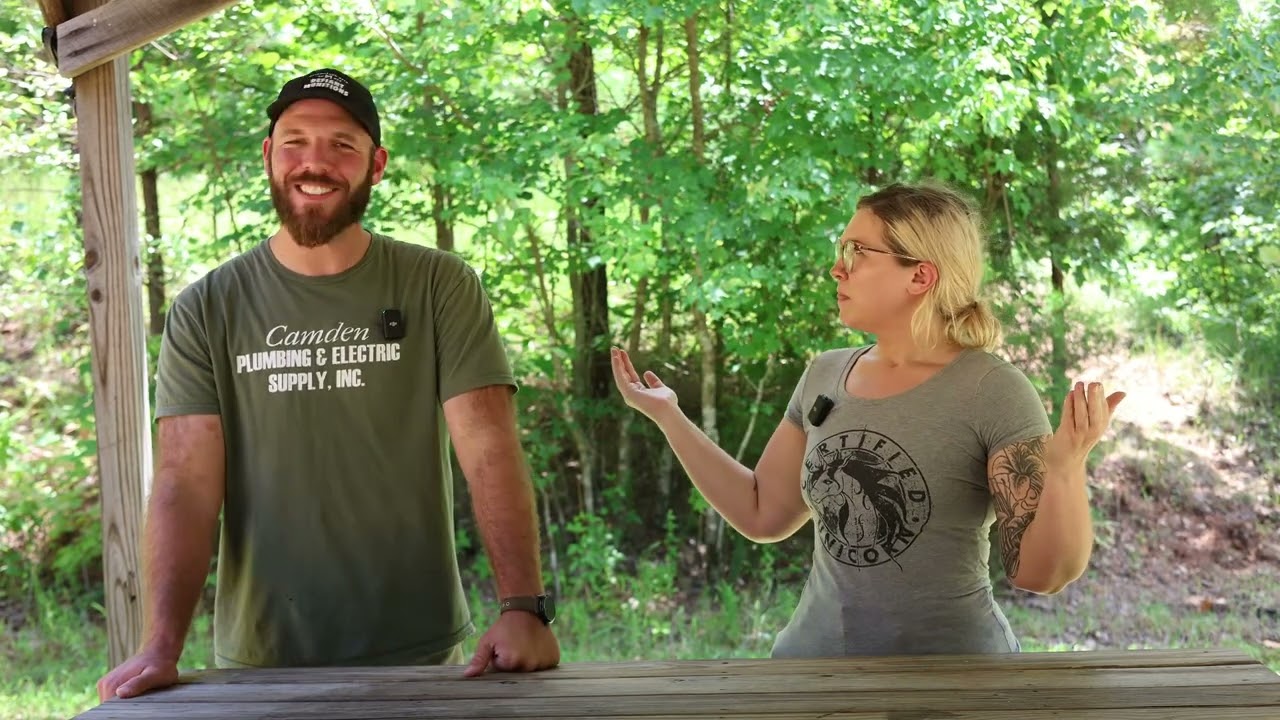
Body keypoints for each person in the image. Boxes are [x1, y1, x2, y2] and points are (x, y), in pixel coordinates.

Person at [97, 68, 559, 701]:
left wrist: (524, 607)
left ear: (377, 165)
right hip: (260, 662)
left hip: (421, 655)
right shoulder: (207, 307)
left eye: (342, 145)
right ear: (268, 154)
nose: (315, 162)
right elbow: (185, 481)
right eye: (295, 142)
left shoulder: (438, 286)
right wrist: (160, 645)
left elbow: (489, 448)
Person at [612, 180, 1124, 657]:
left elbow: (1042, 574)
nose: (838, 269)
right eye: (842, 251)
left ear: (920, 275)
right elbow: (761, 512)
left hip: (954, 682)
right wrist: (669, 416)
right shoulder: (825, 373)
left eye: (857, 252)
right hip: (812, 670)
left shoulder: (994, 390)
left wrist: (1064, 469)